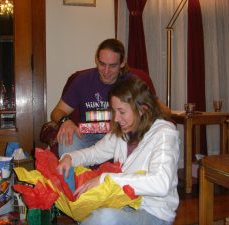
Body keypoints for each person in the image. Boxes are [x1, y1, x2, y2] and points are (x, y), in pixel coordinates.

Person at [57, 77, 180, 225]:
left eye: (121, 111)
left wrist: (105, 179)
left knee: (105, 218)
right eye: (114, 111)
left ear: (143, 109)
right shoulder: (124, 130)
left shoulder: (164, 133)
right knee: (89, 210)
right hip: (123, 204)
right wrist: (69, 157)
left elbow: (161, 183)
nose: (116, 118)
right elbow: (94, 153)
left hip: (153, 213)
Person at [51, 38, 169, 157]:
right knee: (67, 139)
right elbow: (57, 112)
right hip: (87, 134)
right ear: (96, 60)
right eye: (102, 64)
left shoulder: (133, 82)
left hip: (120, 134)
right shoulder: (82, 80)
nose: (106, 71)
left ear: (122, 63)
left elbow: (163, 111)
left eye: (113, 66)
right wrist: (65, 121)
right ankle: (76, 175)